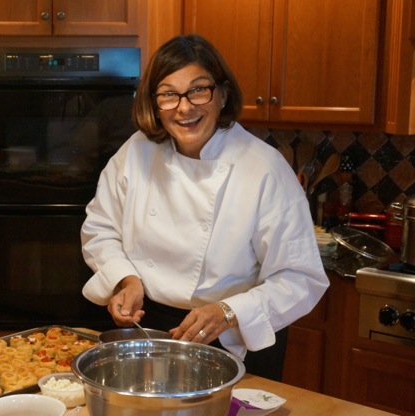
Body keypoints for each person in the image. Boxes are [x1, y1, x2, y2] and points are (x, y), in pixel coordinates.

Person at [80, 34, 329, 380]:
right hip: (148, 329)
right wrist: (126, 279)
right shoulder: (136, 152)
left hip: (232, 339)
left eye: (198, 90)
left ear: (223, 95)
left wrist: (228, 312)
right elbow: (100, 228)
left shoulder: (264, 168)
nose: (184, 108)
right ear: (154, 103)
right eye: (168, 94)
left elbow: (301, 278)